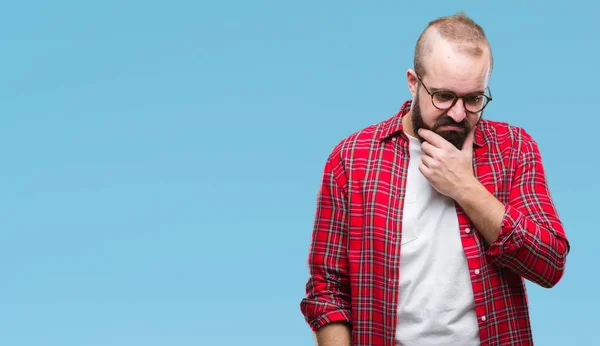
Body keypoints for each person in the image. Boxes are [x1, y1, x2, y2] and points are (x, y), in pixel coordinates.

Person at [299, 12, 570, 346]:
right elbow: (328, 290)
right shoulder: (352, 159)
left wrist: (465, 187)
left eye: (473, 99)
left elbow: (549, 263)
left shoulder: (513, 149)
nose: (458, 113)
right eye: (443, 96)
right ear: (414, 82)